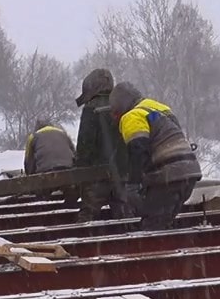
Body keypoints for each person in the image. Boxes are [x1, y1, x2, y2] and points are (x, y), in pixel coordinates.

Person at [107, 82, 203, 231]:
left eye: (114, 112)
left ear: (121, 106)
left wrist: (133, 185)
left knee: (152, 227)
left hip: (168, 176)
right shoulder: (160, 109)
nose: (114, 117)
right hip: (189, 173)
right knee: (164, 222)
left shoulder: (132, 116)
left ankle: (155, 250)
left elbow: (138, 149)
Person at [74, 69, 135, 222]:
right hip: (122, 173)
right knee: (125, 216)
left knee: (88, 216)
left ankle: (85, 244)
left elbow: (85, 143)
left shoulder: (91, 109)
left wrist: (80, 167)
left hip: (97, 174)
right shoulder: (122, 106)